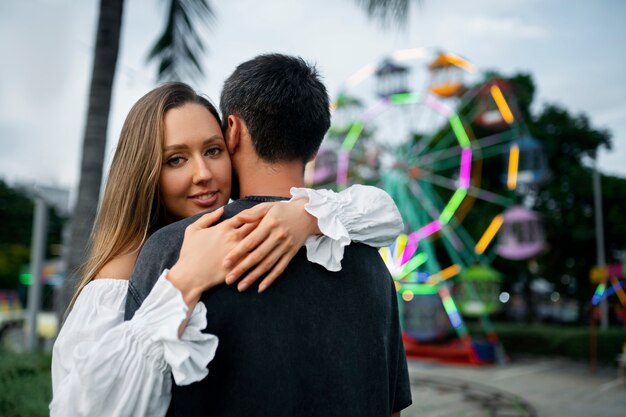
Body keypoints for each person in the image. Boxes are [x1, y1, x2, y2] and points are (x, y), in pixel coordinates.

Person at [50, 80, 404, 416]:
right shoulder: (120, 279)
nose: (203, 173)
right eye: (176, 159)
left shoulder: (264, 226)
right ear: (146, 173)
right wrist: (185, 280)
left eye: (213, 150)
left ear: (232, 140)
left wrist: (307, 215)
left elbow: (383, 213)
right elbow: (83, 407)